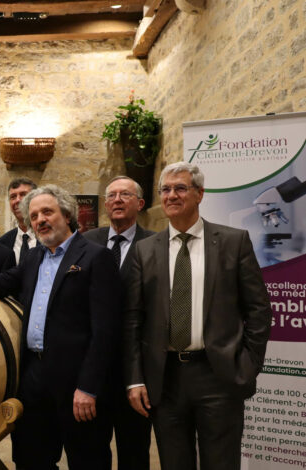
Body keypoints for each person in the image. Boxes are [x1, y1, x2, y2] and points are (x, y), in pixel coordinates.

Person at [0, 184, 121, 470]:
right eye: (34, 216)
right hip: (33, 376)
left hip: (76, 381)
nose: (40, 220)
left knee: (87, 459)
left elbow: (105, 331)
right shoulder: (34, 256)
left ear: (67, 215)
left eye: (47, 212)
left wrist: (88, 387)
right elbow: (0, 282)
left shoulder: (95, 256)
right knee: (31, 458)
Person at [124, 162, 272, 470]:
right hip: (164, 379)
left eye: (180, 188)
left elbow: (258, 309)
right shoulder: (145, 250)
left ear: (200, 194)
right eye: (165, 189)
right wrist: (135, 378)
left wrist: (247, 365)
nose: (171, 196)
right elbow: (134, 320)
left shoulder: (233, 242)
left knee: (221, 463)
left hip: (218, 375)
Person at [83, 176, 154, 470]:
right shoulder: (87, 241)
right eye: (111, 195)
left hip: (135, 368)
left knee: (134, 451)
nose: (117, 200)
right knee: (91, 451)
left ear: (140, 203)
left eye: (125, 195)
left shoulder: (155, 244)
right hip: (94, 368)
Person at [0, 178, 37, 265]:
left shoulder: (48, 237)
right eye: (13, 197)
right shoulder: (2, 242)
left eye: (23, 195)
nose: (17, 200)